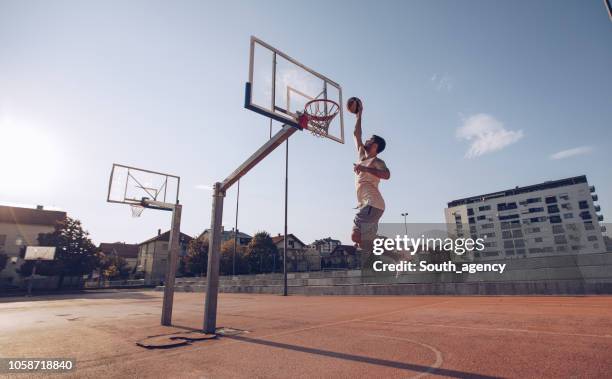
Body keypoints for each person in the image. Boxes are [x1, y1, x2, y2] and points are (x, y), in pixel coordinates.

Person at [351, 103, 390, 271]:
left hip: (372, 203)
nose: (366, 140)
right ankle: (400, 253)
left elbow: (387, 175)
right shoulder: (361, 155)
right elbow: (356, 134)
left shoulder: (378, 162)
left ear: (375, 146)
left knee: (355, 235)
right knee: (366, 243)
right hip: (373, 206)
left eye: (369, 140)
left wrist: (365, 169)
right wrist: (359, 115)